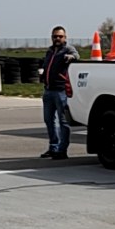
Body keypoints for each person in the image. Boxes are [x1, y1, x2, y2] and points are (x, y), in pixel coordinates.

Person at [41, 25, 77, 159]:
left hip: (61, 91)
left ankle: (62, 150)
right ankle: (53, 147)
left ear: (65, 37)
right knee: (49, 120)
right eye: (55, 36)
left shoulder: (67, 49)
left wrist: (71, 57)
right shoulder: (50, 51)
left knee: (63, 121)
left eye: (60, 36)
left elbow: (76, 55)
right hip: (48, 90)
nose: (57, 38)